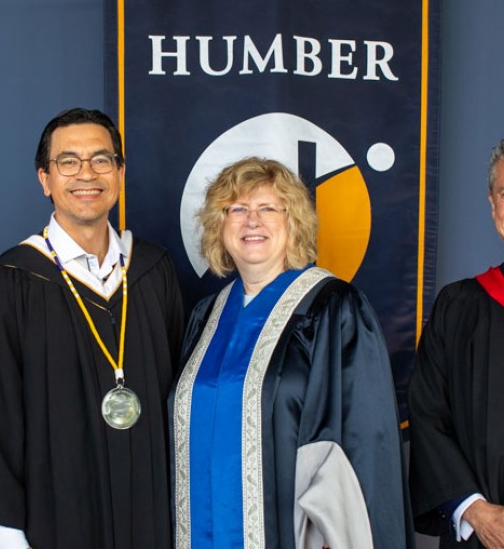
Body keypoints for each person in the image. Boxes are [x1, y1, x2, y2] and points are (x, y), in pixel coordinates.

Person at [0, 107, 185, 549]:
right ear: (45, 179)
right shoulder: (11, 281)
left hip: (154, 522)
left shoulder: (153, 271)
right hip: (52, 526)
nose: (87, 174)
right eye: (68, 162)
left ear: (120, 173)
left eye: (101, 160)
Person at [170, 157, 413, 549]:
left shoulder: (332, 308)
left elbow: (365, 440)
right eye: (238, 209)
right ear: (220, 225)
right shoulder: (206, 316)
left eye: (269, 208)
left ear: (293, 222)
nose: (252, 221)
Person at [409, 131, 504, 549]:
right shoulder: (457, 306)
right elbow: (427, 417)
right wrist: (473, 509)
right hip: (475, 538)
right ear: (493, 205)